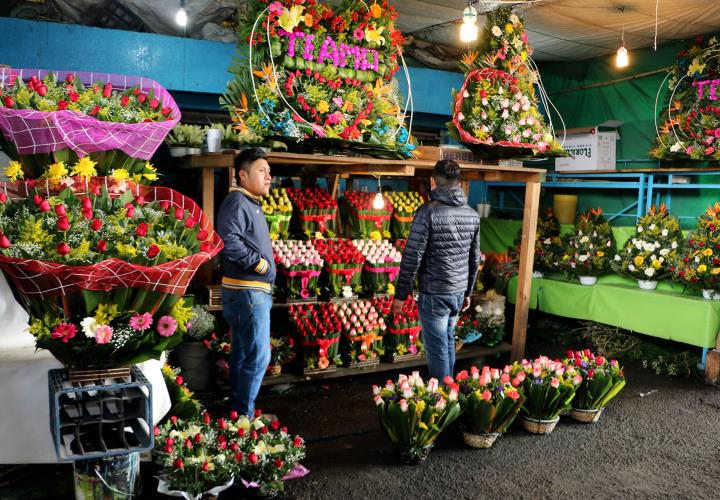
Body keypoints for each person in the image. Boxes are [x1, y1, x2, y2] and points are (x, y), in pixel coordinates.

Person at [392, 159, 481, 381]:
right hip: (458, 291)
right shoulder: (472, 214)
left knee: (437, 348)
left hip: (435, 293)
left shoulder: (427, 212)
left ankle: (442, 400)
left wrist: (401, 295)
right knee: (447, 340)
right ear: (458, 182)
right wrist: (468, 292)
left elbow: (412, 256)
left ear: (432, 181)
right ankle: (449, 393)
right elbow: (474, 258)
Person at [216, 147, 274, 416]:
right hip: (248, 292)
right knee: (258, 356)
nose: (268, 176)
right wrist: (260, 264)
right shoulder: (238, 203)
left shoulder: (249, 203)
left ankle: (238, 411)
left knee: (242, 352)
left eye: (269, 171)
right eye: (261, 171)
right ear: (242, 175)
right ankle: (244, 415)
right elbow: (229, 242)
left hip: (249, 292)